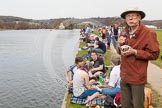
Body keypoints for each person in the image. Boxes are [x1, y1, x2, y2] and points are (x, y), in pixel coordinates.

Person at [116, 7, 160, 108]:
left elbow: (154, 54)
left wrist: (135, 52)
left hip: (137, 77)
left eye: (133, 16)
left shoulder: (149, 33)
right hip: (124, 75)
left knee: (137, 105)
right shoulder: (124, 31)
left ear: (139, 17)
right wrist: (119, 44)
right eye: (128, 16)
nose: (130, 19)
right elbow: (119, 51)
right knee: (125, 105)